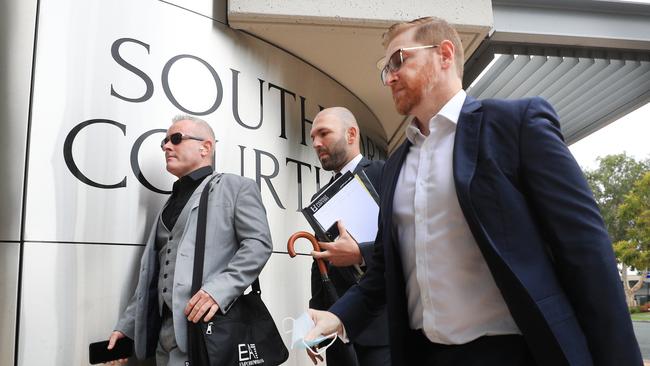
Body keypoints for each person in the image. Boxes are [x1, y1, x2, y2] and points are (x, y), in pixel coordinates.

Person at [306, 16, 642, 366]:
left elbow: (586, 252)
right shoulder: (396, 165)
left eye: (399, 61)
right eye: (384, 69)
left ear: (445, 55)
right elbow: (387, 273)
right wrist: (338, 317)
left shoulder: (516, 125)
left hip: (516, 353)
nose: (389, 77)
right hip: (426, 355)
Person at [105, 115, 273, 365]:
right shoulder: (169, 204)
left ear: (206, 147)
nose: (166, 146)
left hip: (211, 336)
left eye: (176, 139)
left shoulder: (237, 187)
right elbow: (153, 277)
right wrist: (127, 328)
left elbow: (258, 245)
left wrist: (218, 291)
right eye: (164, 142)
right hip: (165, 341)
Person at [306, 107, 390, 365]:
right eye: (312, 137)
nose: (316, 143)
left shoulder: (384, 174)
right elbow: (321, 264)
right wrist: (317, 323)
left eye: (324, 133)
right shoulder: (318, 200)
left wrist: (360, 254)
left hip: (383, 332)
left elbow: (406, 243)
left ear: (351, 134)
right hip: (339, 336)